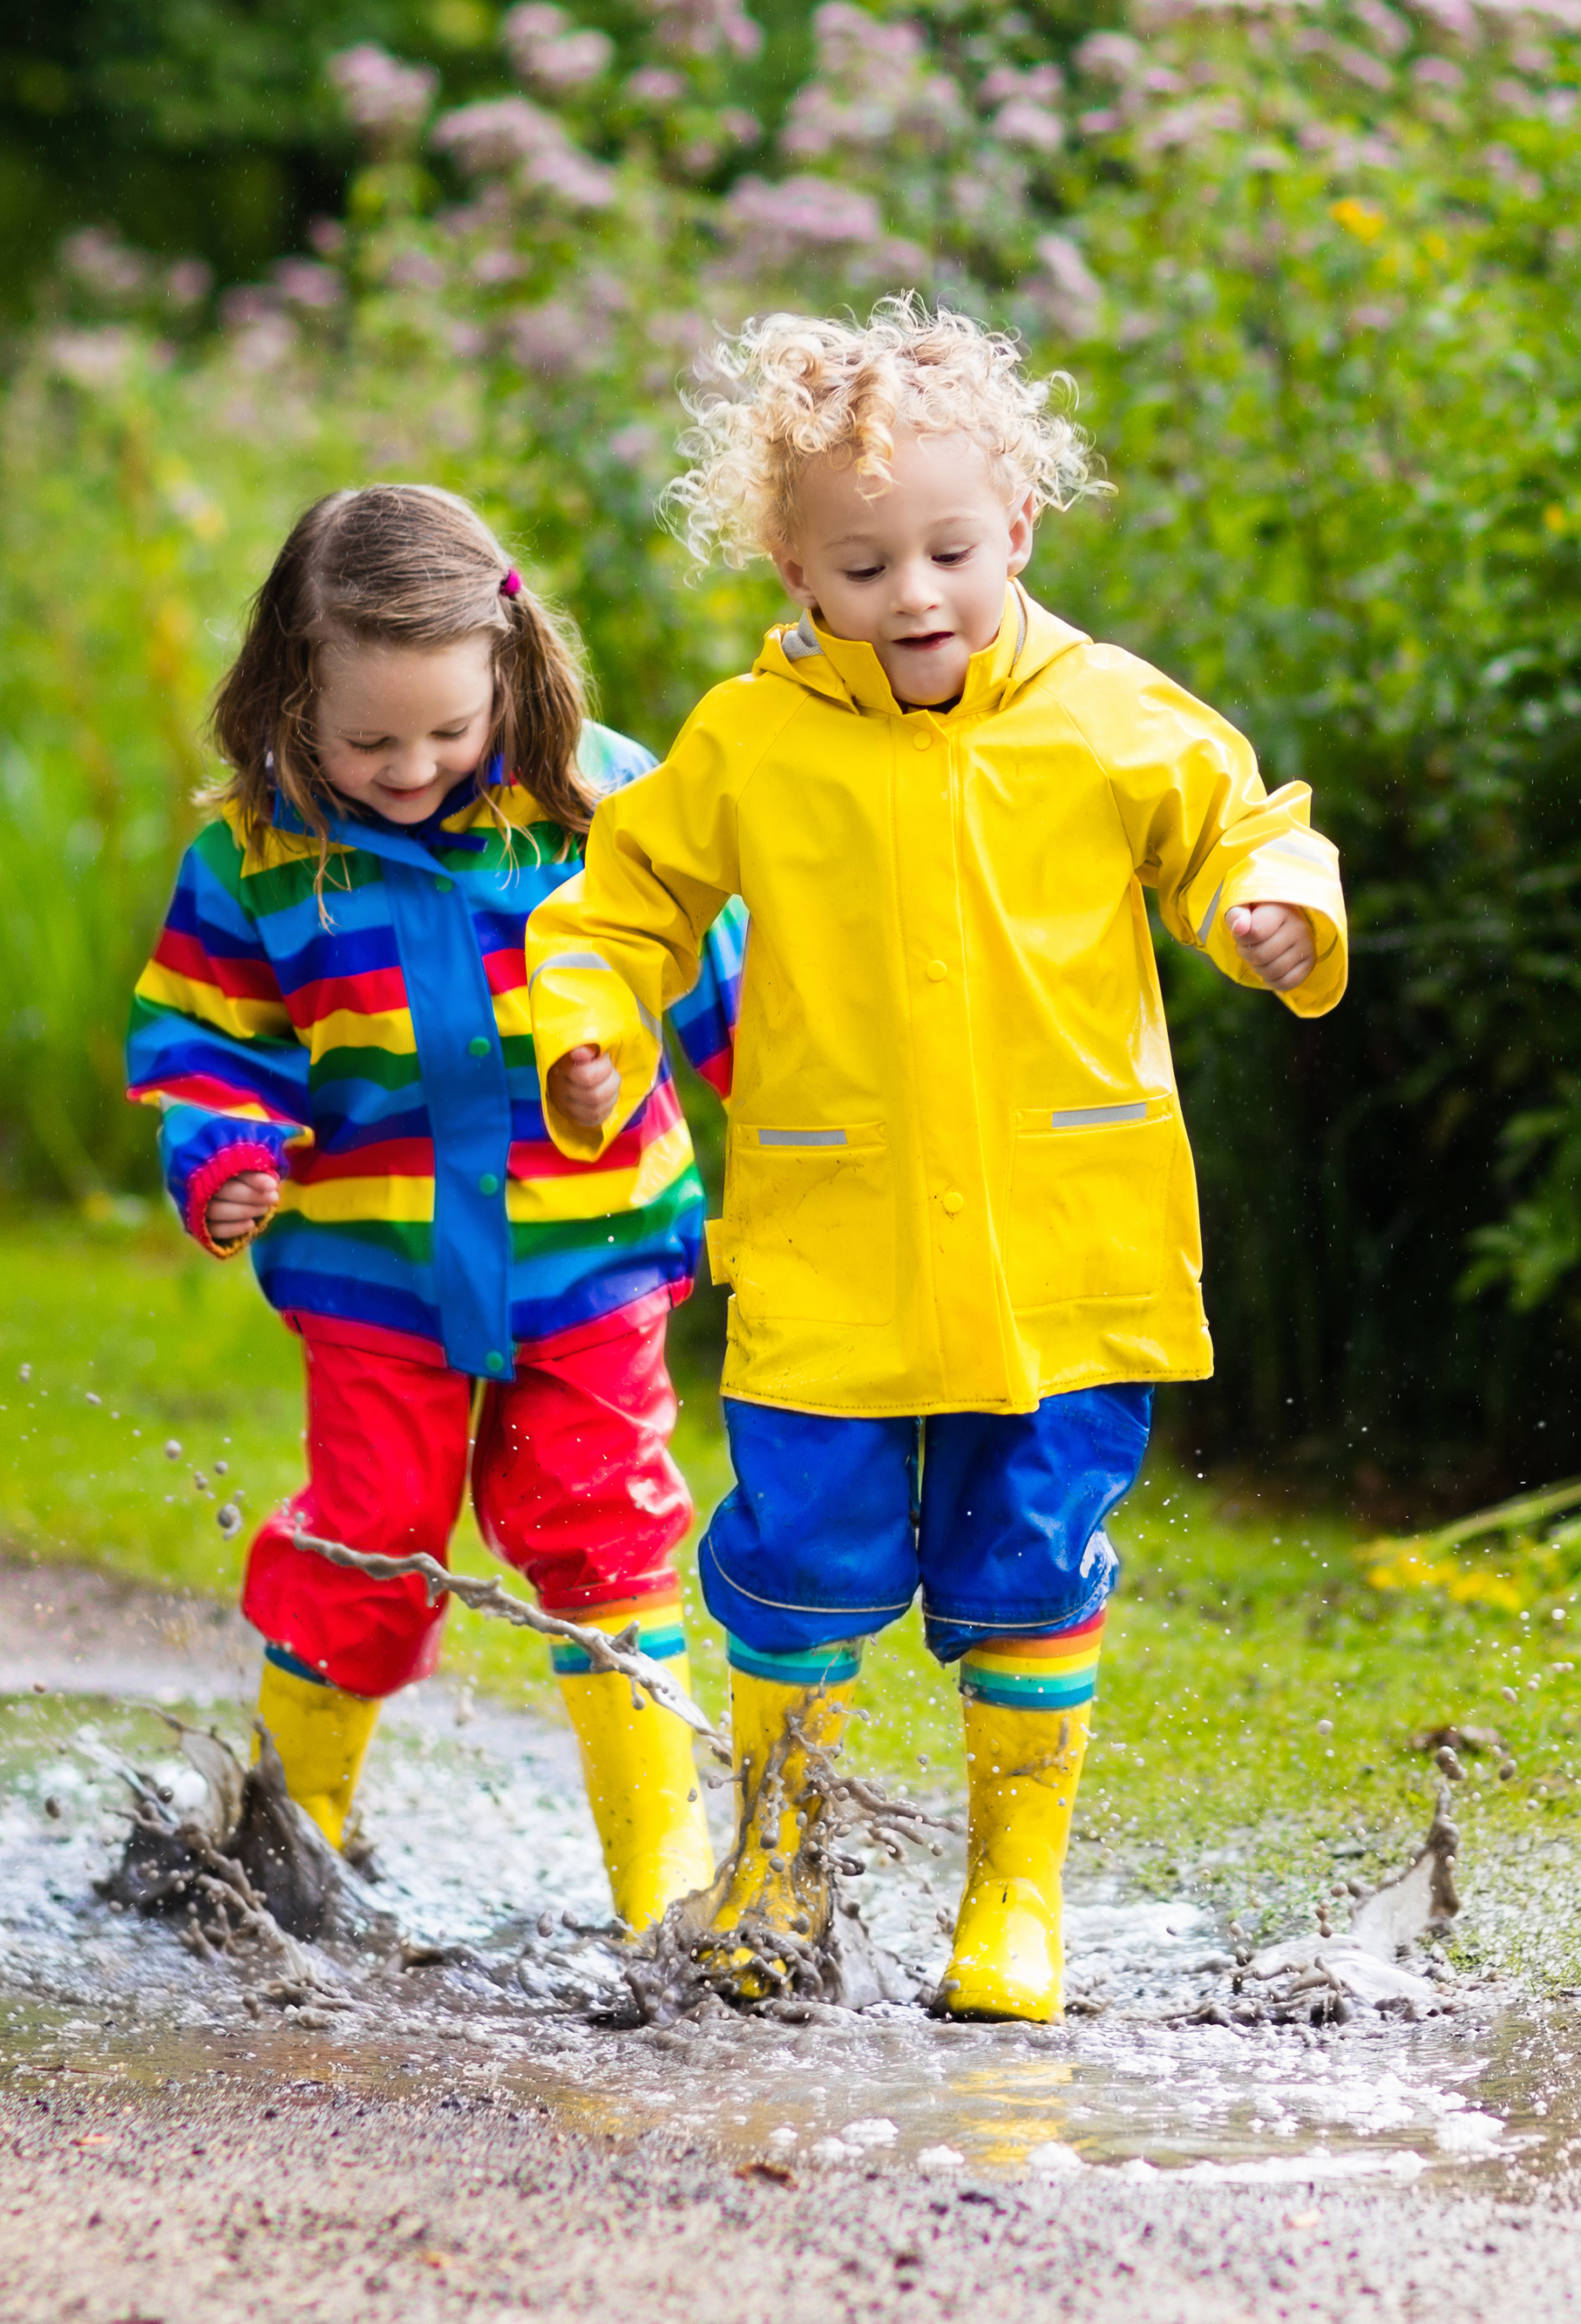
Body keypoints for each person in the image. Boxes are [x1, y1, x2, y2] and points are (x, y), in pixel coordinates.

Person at [526, 301, 1347, 2017]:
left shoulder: (1112, 714)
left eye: (949, 550)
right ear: (791, 564)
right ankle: (776, 1868)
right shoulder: (749, 741)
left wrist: (1271, 913)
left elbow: (1234, 829)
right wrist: (586, 1031)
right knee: (800, 1560)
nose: (913, 593)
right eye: (862, 560)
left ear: (1018, 529)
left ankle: (1011, 1898)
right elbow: (617, 905)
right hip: (836, 1242)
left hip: (1064, 1248)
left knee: (1031, 1564)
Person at [126, 484, 743, 1934]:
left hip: (588, 1262)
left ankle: (663, 1883)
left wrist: (788, 1132)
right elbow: (204, 1047)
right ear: (292, 695)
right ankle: (288, 1850)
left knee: (606, 1534)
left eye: (449, 732)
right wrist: (224, 1163)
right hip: (377, 1274)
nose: (411, 768)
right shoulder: (258, 860)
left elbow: (733, 990)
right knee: (371, 1534)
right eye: (368, 740)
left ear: (509, 671)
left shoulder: (601, 805)